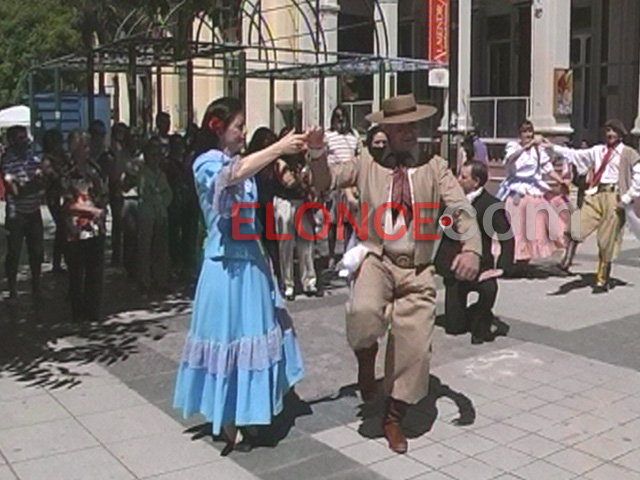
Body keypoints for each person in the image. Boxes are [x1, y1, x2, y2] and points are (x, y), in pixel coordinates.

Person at [308, 94, 482, 454]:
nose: (409, 132)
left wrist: (471, 249)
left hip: (417, 269)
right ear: (385, 131)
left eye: (413, 125)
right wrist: (316, 153)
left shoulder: (434, 167)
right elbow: (326, 180)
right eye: (400, 127)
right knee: (363, 314)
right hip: (378, 259)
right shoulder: (367, 163)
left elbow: (460, 208)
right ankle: (366, 357)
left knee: (414, 348)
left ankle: (392, 417)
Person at [173, 97, 306, 452]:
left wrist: (308, 151)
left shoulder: (242, 162)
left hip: (251, 262)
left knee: (256, 335)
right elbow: (231, 175)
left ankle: (249, 411)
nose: (244, 133)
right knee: (228, 340)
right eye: (239, 126)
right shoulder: (206, 163)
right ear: (218, 128)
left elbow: (264, 177)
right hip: (224, 267)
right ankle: (228, 418)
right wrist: (277, 148)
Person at [548, 119, 640, 292]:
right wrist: (552, 147)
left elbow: (638, 178)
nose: (609, 134)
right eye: (608, 131)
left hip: (614, 196)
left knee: (606, 240)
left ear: (620, 135)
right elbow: (575, 155)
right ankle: (566, 262)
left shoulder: (629, 153)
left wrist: (626, 199)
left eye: (613, 131)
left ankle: (602, 279)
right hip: (596, 194)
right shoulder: (598, 150)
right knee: (576, 227)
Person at [435, 161, 514, 344]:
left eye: (463, 177)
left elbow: (507, 237)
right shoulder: (450, 202)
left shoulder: (491, 205)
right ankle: (464, 315)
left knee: (489, 291)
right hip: (455, 268)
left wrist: (503, 268)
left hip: (481, 267)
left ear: (476, 181)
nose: (458, 180)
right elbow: (441, 230)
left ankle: (480, 318)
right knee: (455, 328)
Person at [496, 120, 571, 272]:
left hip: (534, 189)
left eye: (530, 131)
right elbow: (510, 159)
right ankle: (513, 260)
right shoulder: (513, 147)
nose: (528, 135)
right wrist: (527, 146)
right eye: (525, 132)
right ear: (519, 134)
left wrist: (560, 181)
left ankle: (525, 261)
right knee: (516, 227)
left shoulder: (538, 151)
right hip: (517, 189)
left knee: (535, 227)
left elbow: (548, 169)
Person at [62, 131, 108, 322]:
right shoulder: (67, 172)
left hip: (96, 228)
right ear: (75, 149)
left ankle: (92, 311)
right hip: (76, 230)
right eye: (84, 146)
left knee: (95, 272)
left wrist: (102, 208)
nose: (88, 150)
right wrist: (92, 210)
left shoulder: (94, 168)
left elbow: (102, 192)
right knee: (76, 274)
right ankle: (77, 312)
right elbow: (67, 204)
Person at [1, 126, 46, 299]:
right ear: (12, 141)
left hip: (34, 210)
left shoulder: (32, 157)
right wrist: (31, 184)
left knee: (37, 251)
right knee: (14, 251)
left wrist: (29, 185)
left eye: (25, 137)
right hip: (16, 213)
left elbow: (42, 181)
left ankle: (37, 286)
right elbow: (14, 190)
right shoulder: (7, 161)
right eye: (20, 138)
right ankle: (13, 289)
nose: (24, 141)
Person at [273, 144, 318, 301]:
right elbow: (289, 182)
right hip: (285, 202)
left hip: (302, 202)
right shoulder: (280, 162)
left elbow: (313, 181)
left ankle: (309, 281)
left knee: (306, 243)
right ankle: (288, 284)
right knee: (285, 244)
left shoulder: (304, 162)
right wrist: (303, 177)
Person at [325, 106, 361, 265]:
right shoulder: (328, 136)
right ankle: (331, 255)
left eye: (343, 117)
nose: (341, 120)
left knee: (349, 222)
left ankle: (347, 252)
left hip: (350, 184)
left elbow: (359, 155)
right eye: (337, 117)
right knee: (332, 222)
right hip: (334, 184)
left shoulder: (354, 136)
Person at [136, 137, 173, 292]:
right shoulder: (141, 172)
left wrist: (162, 203)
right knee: (145, 248)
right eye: (152, 155)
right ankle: (145, 280)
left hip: (161, 213)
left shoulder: (161, 174)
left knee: (161, 249)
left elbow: (168, 193)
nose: (155, 159)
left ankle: (161, 279)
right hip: (146, 212)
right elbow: (143, 190)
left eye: (158, 155)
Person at [250, 127, 283, 288]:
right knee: (256, 245)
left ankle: (278, 278)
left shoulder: (275, 165)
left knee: (272, 244)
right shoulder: (251, 162)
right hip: (253, 208)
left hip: (268, 206)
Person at [41, 129, 68, 273]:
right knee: (62, 227)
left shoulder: (63, 156)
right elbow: (52, 176)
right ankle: (57, 263)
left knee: (64, 229)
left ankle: (63, 260)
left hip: (65, 195)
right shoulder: (47, 160)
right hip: (54, 197)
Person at [107, 122, 132, 266]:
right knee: (118, 223)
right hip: (116, 188)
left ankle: (125, 255)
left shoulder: (127, 150)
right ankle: (117, 255)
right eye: (118, 132)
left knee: (126, 224)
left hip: (126, 188)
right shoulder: (112, 150)